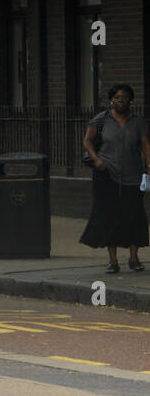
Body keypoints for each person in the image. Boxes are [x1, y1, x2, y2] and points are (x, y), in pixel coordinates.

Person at [80, 83, 150, 272]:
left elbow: (145, 144)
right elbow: (87, 141)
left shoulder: (138, 121)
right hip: (107, 174)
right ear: (111, 99)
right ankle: (113, 261)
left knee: (135, 215)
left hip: (133, 175)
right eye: (118, 97)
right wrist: (96, 160)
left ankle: (134, 258)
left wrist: (148, 167)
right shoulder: (101, 120)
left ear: (131, 100)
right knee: (109, 217)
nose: (121, 101)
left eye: (125, 97)